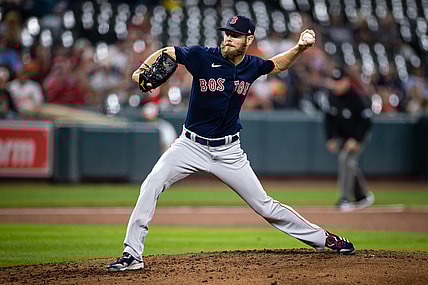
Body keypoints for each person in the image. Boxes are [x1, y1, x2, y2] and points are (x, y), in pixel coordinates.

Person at [107, 15, 355, 272]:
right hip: (190, 145)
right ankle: (132, 254)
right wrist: (140, 71)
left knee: (264, 205)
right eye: (226, 33)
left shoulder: (251, 65)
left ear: (249, 39)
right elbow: (167, 52)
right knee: (152, 183)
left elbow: (277, 65)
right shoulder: (202, 56)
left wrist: (300, 47)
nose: (228, 38)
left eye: (235, 35)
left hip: (228, 151)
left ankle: (324, 239)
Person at [323, 62, 375, 211]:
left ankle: (344, 198)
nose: (336, 85)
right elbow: (328, 119)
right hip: (343, 137)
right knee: (350, 165)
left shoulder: (357, 96)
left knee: (345, 159)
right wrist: (330, 138)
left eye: (339, 81)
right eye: (334, 81)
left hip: (358, 135)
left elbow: (366, 121)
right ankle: (362, 196)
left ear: (346, 81)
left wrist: (356, 139)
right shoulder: (332, 96)